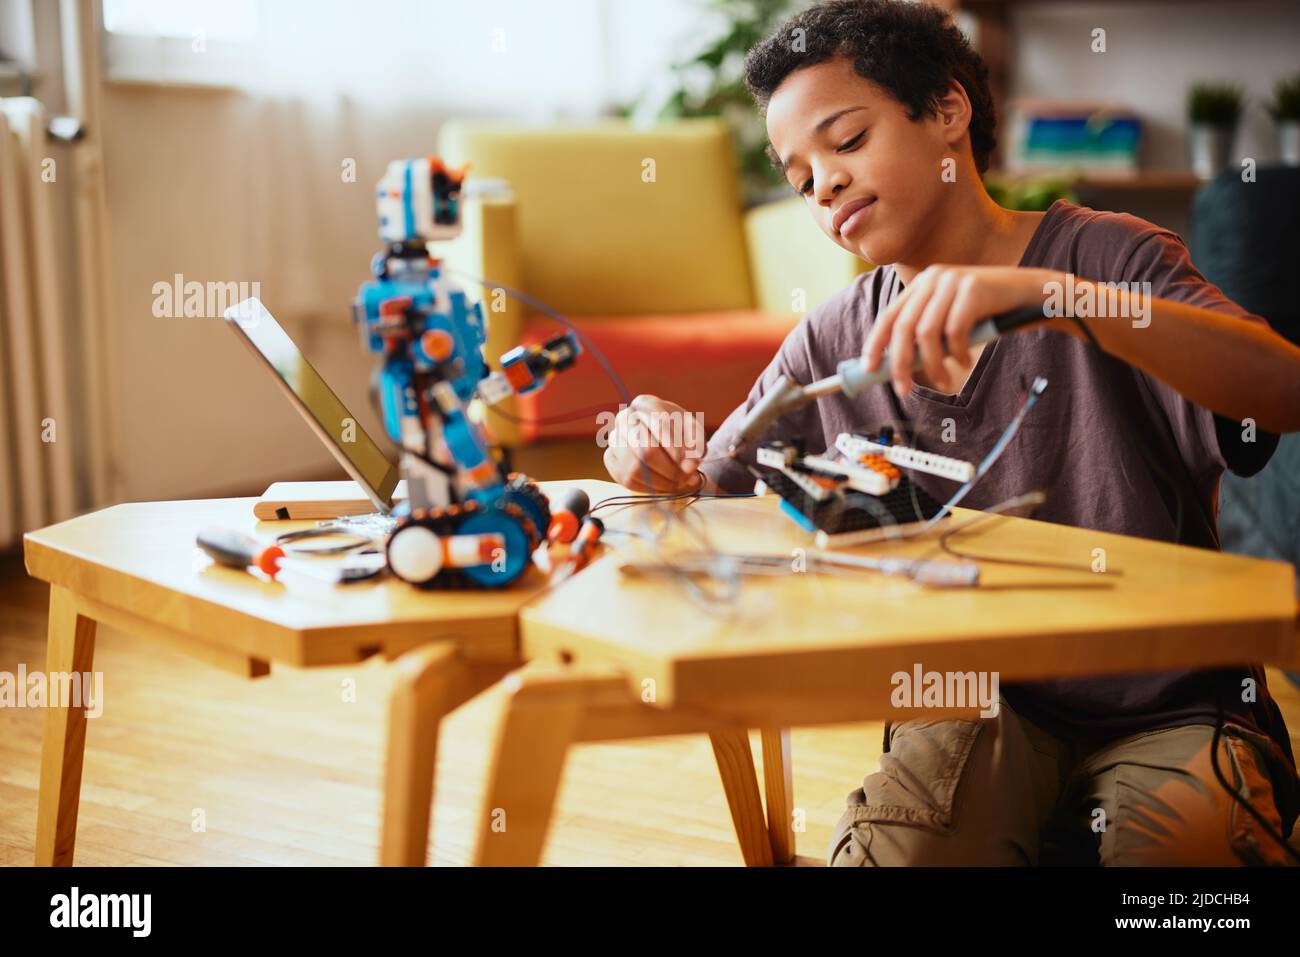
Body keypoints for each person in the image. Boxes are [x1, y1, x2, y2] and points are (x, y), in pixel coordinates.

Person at [603, 0, 1300, 865]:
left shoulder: (1110, 257)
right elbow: (704, 485)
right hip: (968, 696)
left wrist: (1055, 300)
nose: (823, 184)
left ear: (946, 111)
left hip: (1173, 702)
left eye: (847, 141)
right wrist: (648, 445)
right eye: (799, 175)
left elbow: (1282, 387)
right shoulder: (832, 337)